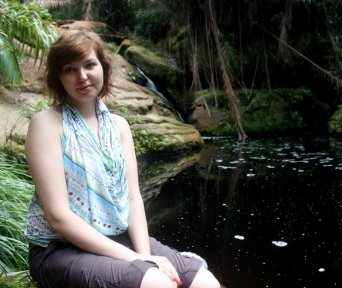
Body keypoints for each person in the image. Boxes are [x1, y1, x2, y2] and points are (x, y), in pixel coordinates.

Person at [24, 30, 221, 288]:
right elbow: (58, 218)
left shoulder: (119, 126)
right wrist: (137, 261)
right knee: (156, 283)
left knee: (204, 282)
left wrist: (146, 256)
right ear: (58, 77)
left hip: (118, 237)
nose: (82, 76)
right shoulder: (47, 124)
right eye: (69, 69)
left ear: (103, 68)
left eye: (89, 65)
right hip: (59, 249)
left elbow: (133, 198)